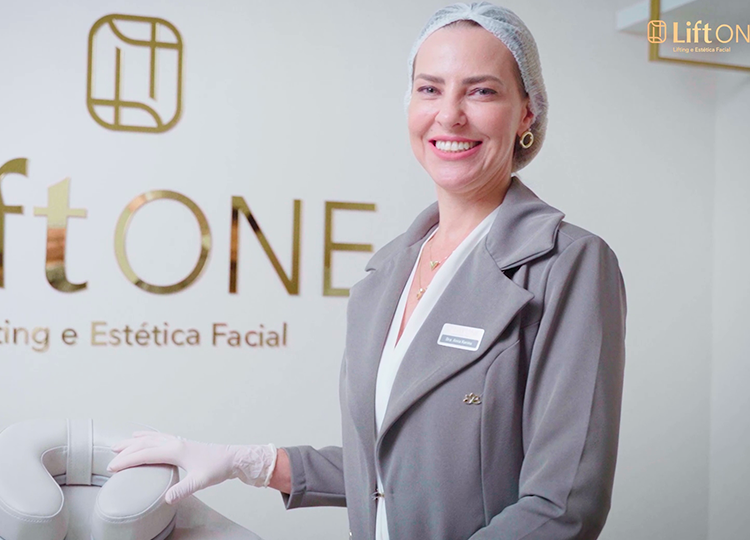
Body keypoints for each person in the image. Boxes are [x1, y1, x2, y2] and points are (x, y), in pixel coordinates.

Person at [107, 3, 628, 539]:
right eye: (429, 89)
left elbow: (563, 506)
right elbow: (391, 468)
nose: (450, 115)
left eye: (481, 91)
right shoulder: (387, 274)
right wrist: (248, 462)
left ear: (526, 113)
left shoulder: (567, 264)